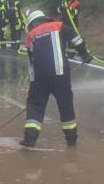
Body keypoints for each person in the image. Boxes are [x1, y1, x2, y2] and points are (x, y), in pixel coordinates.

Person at [20, 10, 92, 148]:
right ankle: (71, 140)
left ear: (32, 24)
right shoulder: (59, 26)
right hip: (60, 73)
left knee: (35, 105)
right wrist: (84, 55)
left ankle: (30, 139)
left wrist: (33, 84)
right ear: (44, 19)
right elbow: (77, 40)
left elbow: (31, 60)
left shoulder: (30, 36)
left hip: (39, 77)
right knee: (65, 104)